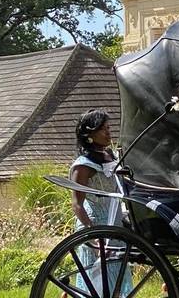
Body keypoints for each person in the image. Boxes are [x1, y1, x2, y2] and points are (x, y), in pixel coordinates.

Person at [70, 109, 133, 296]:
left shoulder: (111, 156)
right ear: (89, 134)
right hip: (95, 225)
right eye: (102, 129)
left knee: (116, 279)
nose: (108, 132)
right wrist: (94, 236)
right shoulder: (83, 165)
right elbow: (77, 204)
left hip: (115, 222)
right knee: (98, 283)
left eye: (108, 127)